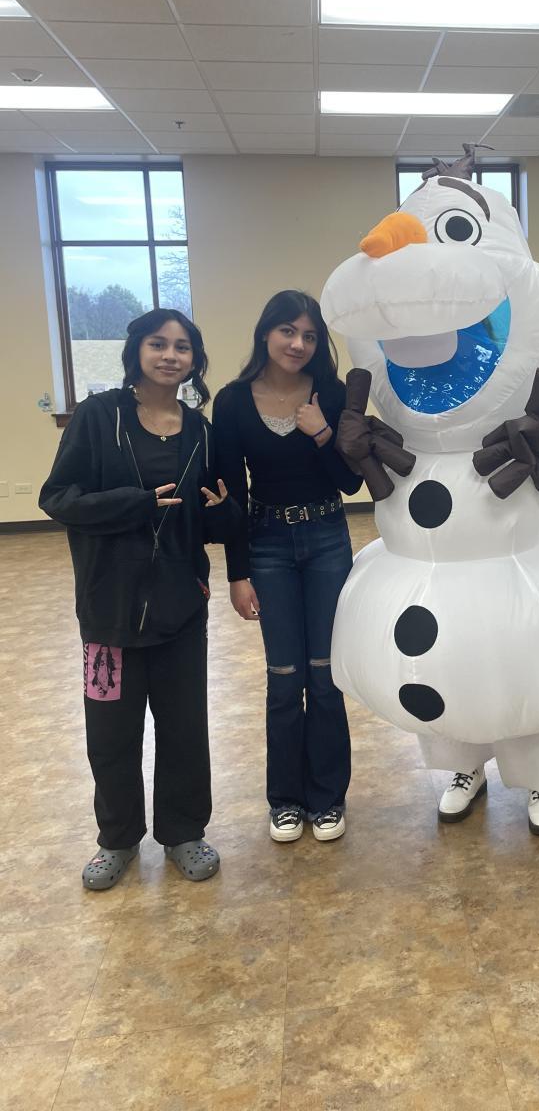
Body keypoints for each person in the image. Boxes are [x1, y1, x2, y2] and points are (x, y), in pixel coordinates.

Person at [40, 309, 240, 891]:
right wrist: (135, 502)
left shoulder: (200, 430)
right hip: (108, 610)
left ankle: (184, 831)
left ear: (194, 360)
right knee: (111, 732)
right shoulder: (99, 416)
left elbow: (210, 514)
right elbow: (58, 497)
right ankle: (117, 838)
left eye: (182, 347)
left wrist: (223, 511)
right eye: (158, 344)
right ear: (137, 351)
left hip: (182, 605)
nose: (170, 355)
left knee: (184, 727)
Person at [212, 290, 362, 845]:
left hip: (326, 538)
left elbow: (351, 482)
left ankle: (327, 798)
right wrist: (237, 573)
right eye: (288, 331)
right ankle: (286, 801)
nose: (298, 344)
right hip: (268, 543)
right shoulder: (232, 401)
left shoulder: (332, 394)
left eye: (310, 336)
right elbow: (230, 494)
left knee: (324, 675)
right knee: (283, 678)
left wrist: (322, 432)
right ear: (266, 333)